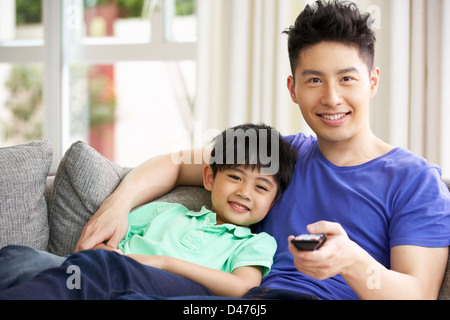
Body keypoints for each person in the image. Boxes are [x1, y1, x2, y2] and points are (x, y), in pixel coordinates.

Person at [72, 0, 450, 300]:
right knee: (27, 265)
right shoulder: (276, 156)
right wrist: (118, 205)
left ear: (372, 81)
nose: (332, 98)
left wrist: (351, 261)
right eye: (314, 80)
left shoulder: (414, 181)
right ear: (293, 89)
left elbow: (417, 295)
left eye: (347, 79)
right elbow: (174, 163)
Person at [0, 123, 299, 299]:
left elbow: (242, 287)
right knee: (17, 257)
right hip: (111, 276)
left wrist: (163, 262)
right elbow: (109, 243)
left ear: (273, 202)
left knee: (103, 270)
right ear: (209, 177)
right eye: (235, 177)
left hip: (175, 289)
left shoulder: (254, 242)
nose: (244, 192)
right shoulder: (169, 214)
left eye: (260, 187)